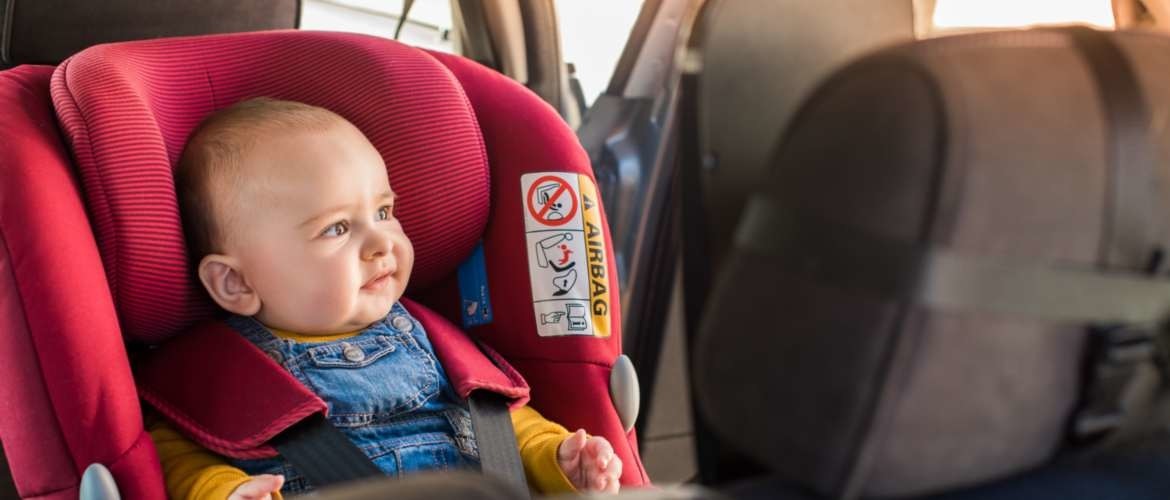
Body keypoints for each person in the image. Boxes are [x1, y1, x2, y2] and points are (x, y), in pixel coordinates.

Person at [150, 97, 623, 499]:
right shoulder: (221, 373)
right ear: (236, 282)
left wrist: (558, 457)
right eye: (336, 228)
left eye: (383, 211)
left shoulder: (434, 340)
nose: (381, 242)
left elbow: (502, 424)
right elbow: (177, 455)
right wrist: (226, 490)